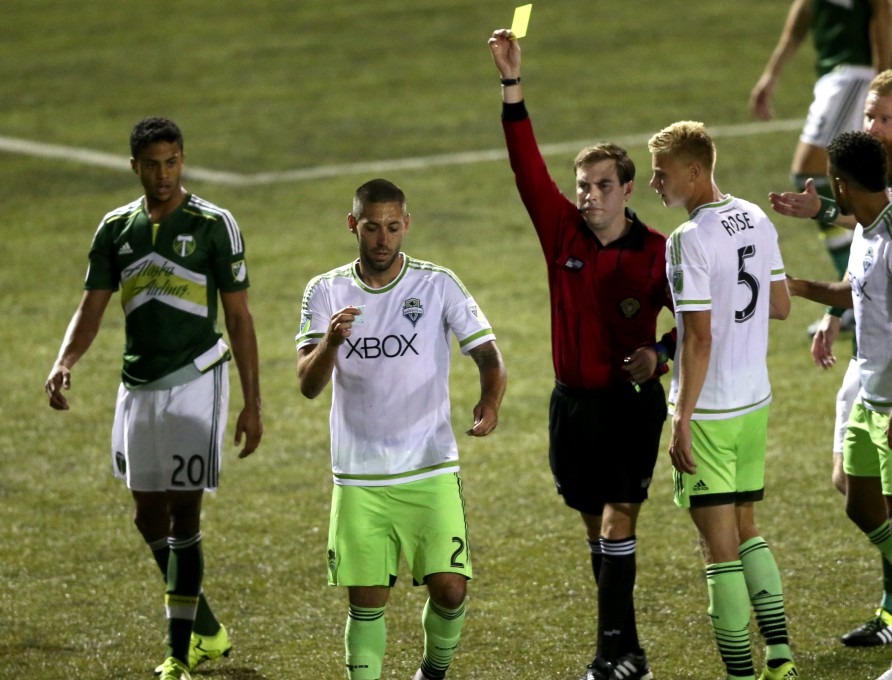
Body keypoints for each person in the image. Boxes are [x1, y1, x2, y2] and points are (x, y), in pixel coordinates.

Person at [44, 117, 262, 680]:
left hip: (196, 380)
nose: (163, 174)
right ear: (134, 167)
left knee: (184, 516)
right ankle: (206, 626)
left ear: (182, 160)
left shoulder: (214, 224)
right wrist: (65, 361)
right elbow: (91, 306)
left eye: (171, 163)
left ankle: (177, 654)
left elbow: (239, 317)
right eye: (151, 165)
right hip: (137, 385)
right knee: (148, 517)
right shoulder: (116, 228)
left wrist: (252, 402)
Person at [489, 29, 674, 680]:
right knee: (596, 530)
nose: (588, 194)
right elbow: (525, 167)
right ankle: (632, 653)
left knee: (620, 523)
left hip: (630, 406)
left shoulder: (657, 254)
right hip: (571, 408)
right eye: (582, 185)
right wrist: (512, 85)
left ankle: (606, 657)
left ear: (627, 189)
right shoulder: (561, 232)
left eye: (601, 184)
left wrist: (659, 353)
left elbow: (694, 326)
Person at [295, 178, 506, 680]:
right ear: (353, 225)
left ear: (406, 225)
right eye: (372, 228)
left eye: (393, 227)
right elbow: (307, 385)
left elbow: (488, 354)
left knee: (451, 589)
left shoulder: (437, 284)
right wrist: (330, 343)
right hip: (360, 476)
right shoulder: (325, 291)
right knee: (367, 601)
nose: (383, 239)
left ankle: (431, 673)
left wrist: (490, 400)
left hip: (429, 467)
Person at [647, 121, 795, 680]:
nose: (655, 184)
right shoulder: (755, 216)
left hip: (710, 411)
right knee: (746, 527)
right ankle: (780, 658)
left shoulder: (687, 239)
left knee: (718, 550)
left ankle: (740, 675)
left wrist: (681, 418)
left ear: (694, 172)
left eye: (661, 174)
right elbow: (780, 304)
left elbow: (699, 338)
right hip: (754, 401)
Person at [768, 69, 892, 647]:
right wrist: (809, 294)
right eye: (871, 116)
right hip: (869, 384)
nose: (876, 127)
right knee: (856, 496)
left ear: (840, 182)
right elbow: (858, 283)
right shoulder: (868, 224)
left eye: (886, 118)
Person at [750, 0, 889, 301]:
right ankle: (851, 293)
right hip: (833, 76)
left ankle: (853, 291)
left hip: (855, 75)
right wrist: (771, 74)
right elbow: (802, 16)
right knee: (832, 179)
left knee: (815, 173)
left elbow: (883, 13)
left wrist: (883, 82)